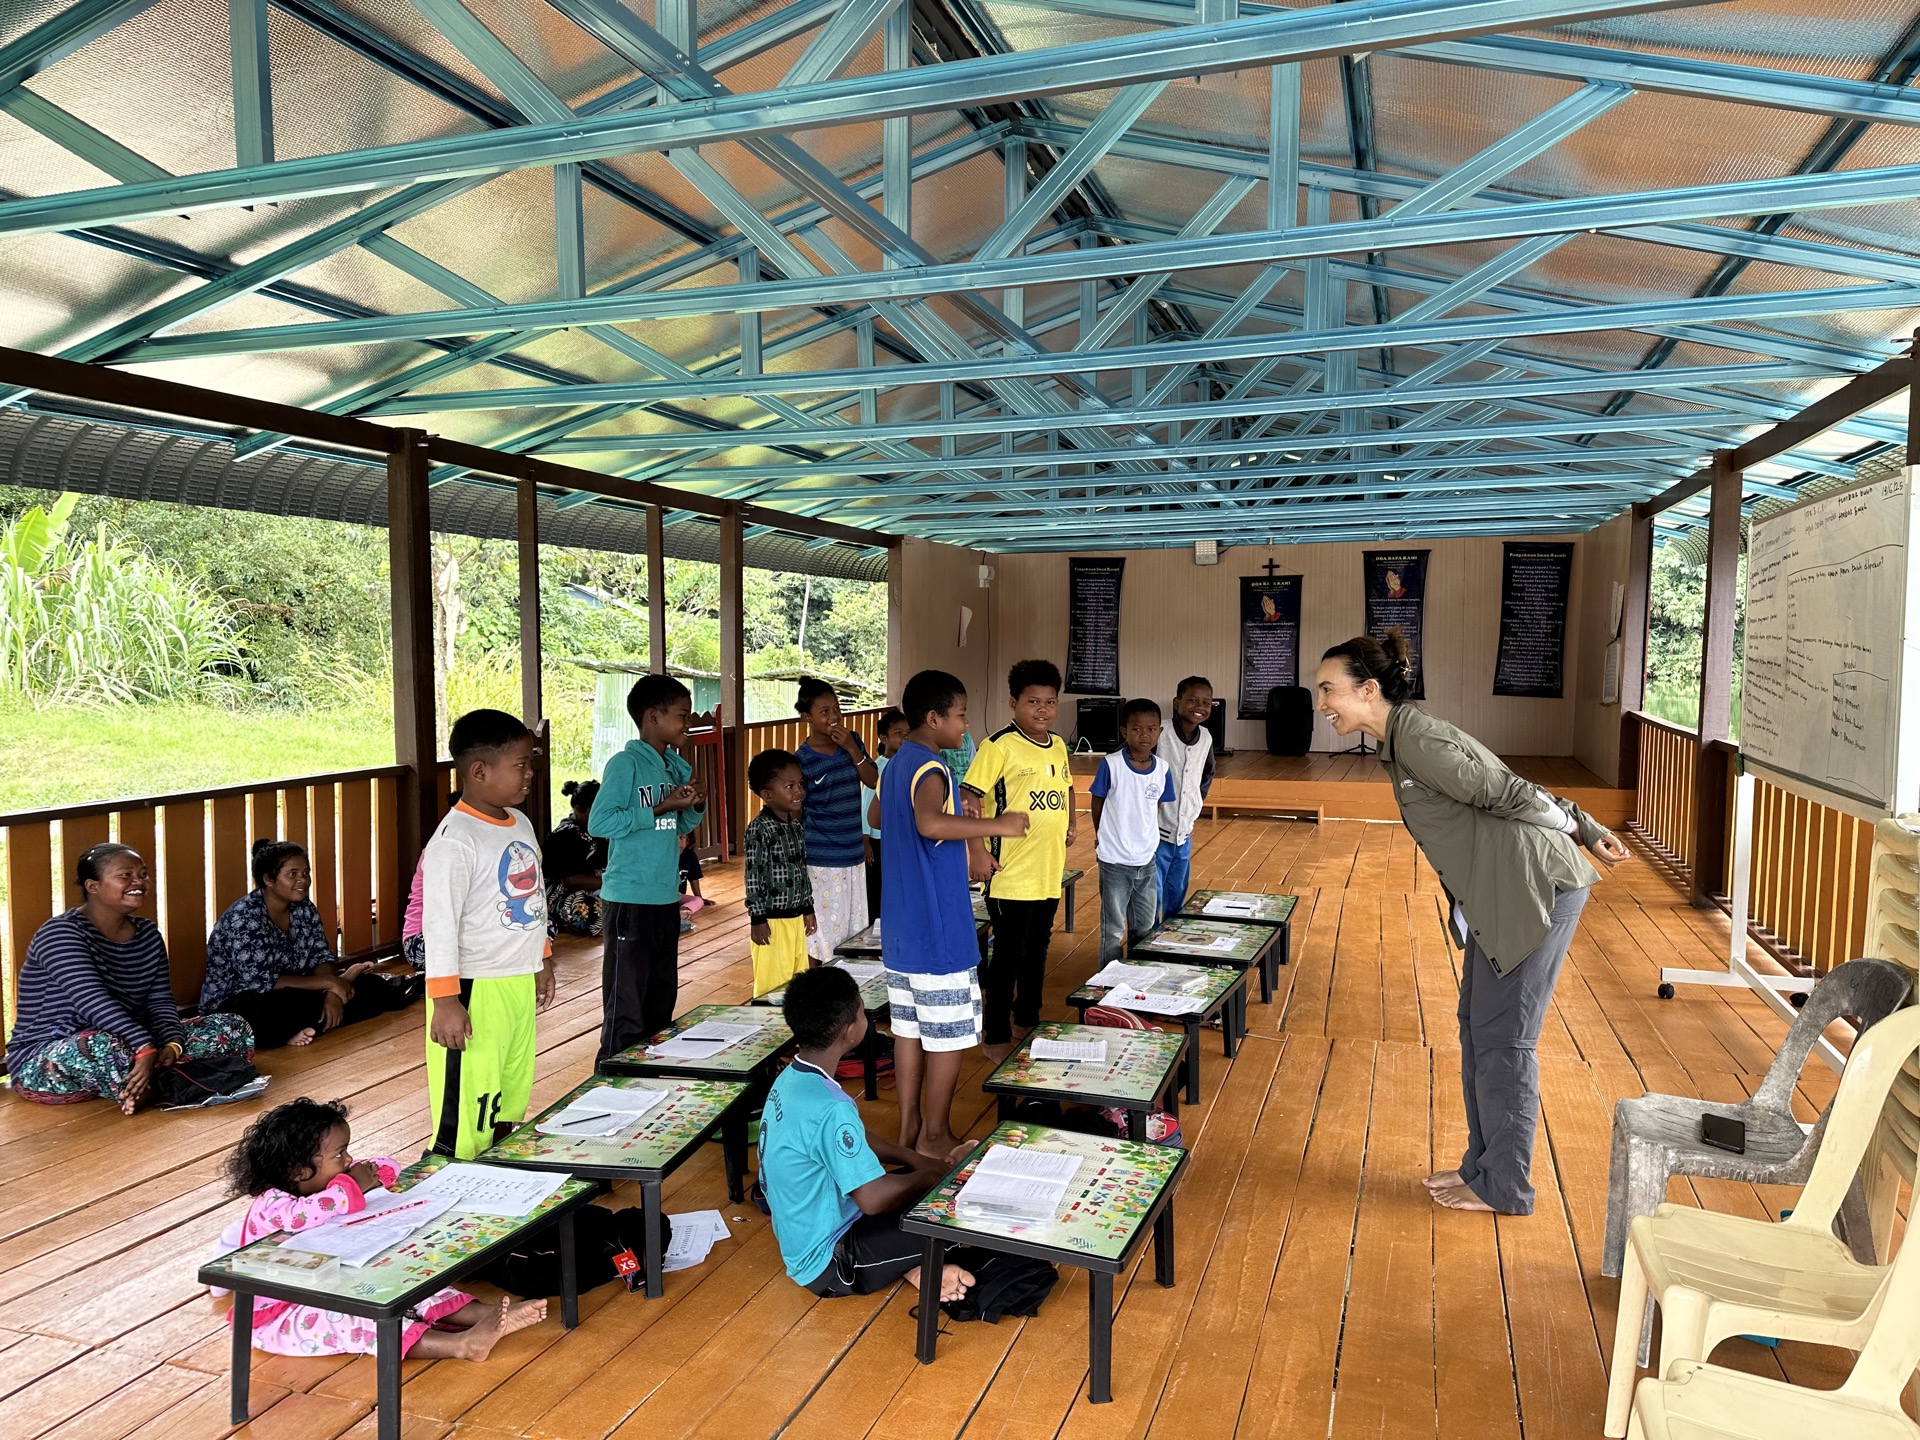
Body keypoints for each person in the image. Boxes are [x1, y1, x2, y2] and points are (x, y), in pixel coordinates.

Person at [1316, 630, 1629, 1216]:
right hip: (1502, 895)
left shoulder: (1418, 740)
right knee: (1477, 1028)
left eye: (1329, 689)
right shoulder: (1406, 740)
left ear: (1368, 690)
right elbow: (1503, 784)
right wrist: (1584, 825)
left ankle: (1505, 1186)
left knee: (1504, 1040)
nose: (1322, 703)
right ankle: (1482, 1168)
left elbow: (1504, 789)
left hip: (1532, 892)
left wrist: (1579, 827)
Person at [216, 1098, 547, 1358]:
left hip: (339, 1284)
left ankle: (483, 1314)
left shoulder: (322, 1184)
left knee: (407, 1281)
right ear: (299, 1171)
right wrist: (352, 1186)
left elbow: (386, 1166)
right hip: (284, 1313)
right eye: (340, 1154)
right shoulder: (272, 1205)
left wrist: (372, 1174)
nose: (348, 1160)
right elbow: (306, 1214)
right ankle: (462, 1345)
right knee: (364, 1321)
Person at [760, 967, 975, 1300]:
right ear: (851, 1031)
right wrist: (935, 1174)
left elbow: (852, 1138)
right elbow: (873, 1199)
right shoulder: (831, 1107)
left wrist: (914, 1159)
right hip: (832, 1263)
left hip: (815, 1232)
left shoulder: (793, 1078)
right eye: (862, 1011)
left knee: (924, 1185)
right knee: (965, 1210)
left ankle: (913, 1265)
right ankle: (916, 1263)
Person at [881, 669, 1027, 1158]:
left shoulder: (897, 763)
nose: (966, 726)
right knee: (947, 1036)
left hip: (901, 927)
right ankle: (936, 1135)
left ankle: (910, 1130)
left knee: (908, 1030)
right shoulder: (932, 766)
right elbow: (928, 823)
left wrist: (960, 826)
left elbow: (879, 817)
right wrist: (997, 825)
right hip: (937, 928)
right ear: (933, 718)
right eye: (961, 716)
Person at [6, 844, 254, 1111]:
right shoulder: (60, 934)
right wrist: (143, 1046)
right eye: (126, 875)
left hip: (132, 1042)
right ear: (93, 886)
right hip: (53, 1053)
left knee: (230, 1025)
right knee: (98, 1046)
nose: (139, 882)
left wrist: (172, 1044)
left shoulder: (147, 934)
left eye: (143, 874)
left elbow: (159, 1001)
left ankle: (154, 1083)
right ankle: (176, 1081)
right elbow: (92, 1001)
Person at [422, 709, 556, 1159]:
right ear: (479, 771)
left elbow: (534, 898)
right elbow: (439, 924)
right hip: (474, 988)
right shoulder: (455, 839)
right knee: (469, 1100)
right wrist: (445, 1001)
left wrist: (542, 957)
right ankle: (453, 1170)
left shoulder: (520, 823)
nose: (530, 774)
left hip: (516, 979)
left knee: (508, 1088)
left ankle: (499, 1164)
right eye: (521, 764)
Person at [963, 660, 1075, 1065]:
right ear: (1013, 703)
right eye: (1033, 702)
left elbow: (1066, 785)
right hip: (1010, 874)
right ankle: (994, 1032)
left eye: (1050, 702)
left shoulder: (1058, 744)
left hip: (1048, 869)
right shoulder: (998, 746)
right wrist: (977, 851)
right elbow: (970, 797)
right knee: (1008, 955)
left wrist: (1072, 821)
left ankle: (1027, 1019)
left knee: (1038, 949)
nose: (1043, 710)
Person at [590, 674, 705, 1066]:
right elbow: (601, 822)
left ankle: (649, 1078)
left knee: (660, 998)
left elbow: (680, 824)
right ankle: (611, 1077)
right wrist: (661, 806)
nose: (688, 723)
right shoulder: (626, 764)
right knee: (626, 1004)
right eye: (682, 715)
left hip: (664, 896)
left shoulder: (673, 767)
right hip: (629, 899)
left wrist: (693, 804)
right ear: (653, 717)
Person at [201, 840, 413, 1049]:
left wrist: (332, 993)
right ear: (268, 879)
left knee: (372, 987)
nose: (303, 880)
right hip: (243, 1001)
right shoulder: (244, 917)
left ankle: (302, 1025)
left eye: (306, 872)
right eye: (292, 874)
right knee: (260, 1014)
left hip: (297, 991)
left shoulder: (304, 907)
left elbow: (321, 956)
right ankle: (305, 1021)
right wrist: (331, 983)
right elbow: (263, 982)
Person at [793, 677, 879, 963]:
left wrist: (853, 750)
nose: (834, 717)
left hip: (853, 854)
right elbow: (798, 812)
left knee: (855, 930)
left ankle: (849, 984)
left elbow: (873, 779)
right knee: (824, 933)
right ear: (807, 718)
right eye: (824, 712)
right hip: (823, 859)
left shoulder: (852, 741)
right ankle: (819, 985)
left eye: (837, 709)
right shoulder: (802, 760)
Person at [1089, 699, 1176, 964]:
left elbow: (1156, 807)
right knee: (1113, 928)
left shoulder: (1162, 769)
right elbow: (1097, 802)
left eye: (1151, 729)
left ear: (1160, 732)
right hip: (1114, 861)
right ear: (1124, 731)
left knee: (1145, 925)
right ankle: (1109, 978)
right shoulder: (1111, 764)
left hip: (1146, 860)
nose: (1144, 735)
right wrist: (1101, 836)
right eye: (1137, 729)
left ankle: (1139, 973)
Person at [745, 748, 816, 997]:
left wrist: (807, 908)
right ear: (767, 794)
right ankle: (767, 1022)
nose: (799, 791)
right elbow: (753, 876)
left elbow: (801, 870)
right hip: (772, 923)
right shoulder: (759, 829)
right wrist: (757, 919)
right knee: (772, 988)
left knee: (797, 983)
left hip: (796, 920)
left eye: (800, 784)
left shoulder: (795, 826)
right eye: (789, 786)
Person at [1155, 676, 1216, 920]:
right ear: (1176, 702)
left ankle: (1170, 935)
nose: (1200, 706)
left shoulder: (1206, 737)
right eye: (1192, 700)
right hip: (1156, 829)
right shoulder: (1159, 731)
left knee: (1177, 887)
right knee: (1152, 890)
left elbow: (1207, 772)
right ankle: (1145, 937)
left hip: (1184, 831)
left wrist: (1195, 801)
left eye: (1206, 703)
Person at [545, 780, 608, 938]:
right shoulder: (565, 835)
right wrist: (613, 883)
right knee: (590, 910)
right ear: (579, 809)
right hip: (563, 893)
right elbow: (571, 880)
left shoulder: (600, 831)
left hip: (600, 887)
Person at [862, 708, 909, 919]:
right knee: (878, 885)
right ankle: (875, 926)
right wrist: (865, 840)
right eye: (898, 733)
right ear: (884, 738)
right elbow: (866, 804)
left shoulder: (908, 764)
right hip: (878, 839)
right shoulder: (877, 768)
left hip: (899, 836)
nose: (904, 738)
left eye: (908, 733)